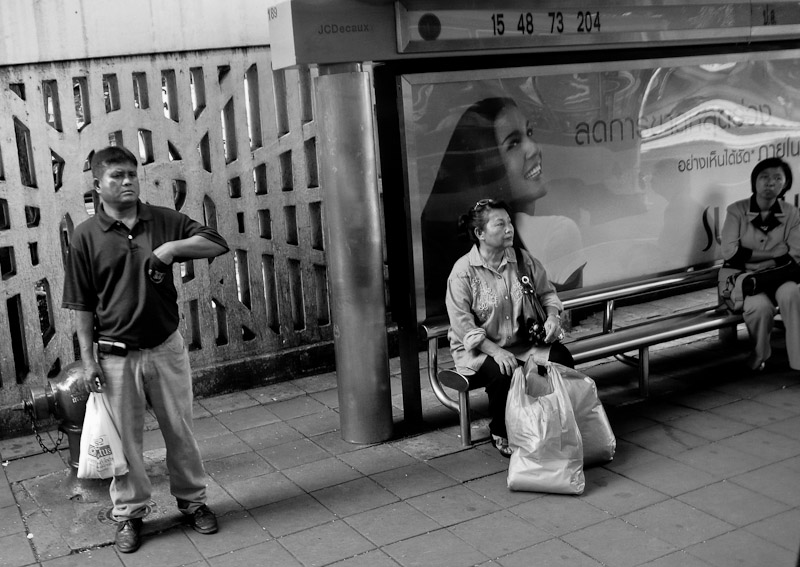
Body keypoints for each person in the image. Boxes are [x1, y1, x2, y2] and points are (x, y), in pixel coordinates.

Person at [62, 146, 229, 553]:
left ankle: (193, 502)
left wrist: (169, 249)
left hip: (165, 347)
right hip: (116, 356)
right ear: (97, 184)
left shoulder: (162, 220)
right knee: (125, 442)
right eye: (117, 176)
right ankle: (129, 514)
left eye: (132, 175)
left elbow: (215, 242)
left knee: (180, 430)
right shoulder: (85, 236)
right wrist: (88, 361)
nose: (127, 182)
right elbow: (82, 304)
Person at [421, 97, 585, 318]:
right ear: (484, 167)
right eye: (513, 143)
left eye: (529, 133)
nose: (534, 148)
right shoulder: (557, 232)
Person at [445, 199, 574, 457]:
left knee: (561, 358)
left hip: (523, 343)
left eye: (510, 223)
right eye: (500, 224)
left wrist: (552, 317)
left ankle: (553, 419)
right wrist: (496, 351)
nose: (509, 229)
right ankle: (500, 430)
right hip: (479, 349)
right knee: (504, 371)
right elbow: (464, 327)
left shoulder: (523, 261)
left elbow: (548, 294)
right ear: (480, 233)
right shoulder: (463, 272)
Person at [720, 157, 800, 371]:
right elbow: (730, 252)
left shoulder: (791, 213)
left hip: (780, 276)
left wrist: (761, 259)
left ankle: (798, 362)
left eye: (777, 178)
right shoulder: (736, 210)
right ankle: (760, 353)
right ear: (754, 181)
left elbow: (795, 254)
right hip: (745, 280)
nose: (770, 183)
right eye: (764, 177)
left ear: (786, 183)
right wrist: (774, 253)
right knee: (759, 308)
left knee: (792, 294)